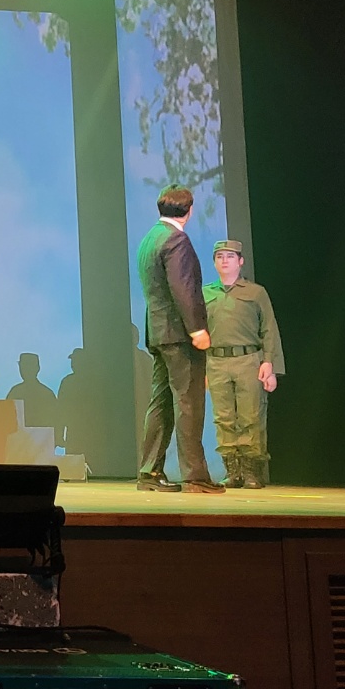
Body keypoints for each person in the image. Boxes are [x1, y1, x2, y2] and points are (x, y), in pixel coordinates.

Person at [135, 185, 223, 493]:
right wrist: (197, 329)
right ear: (189, 210)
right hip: (179, 335)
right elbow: (183, 288)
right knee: (189, 402)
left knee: (161, 402)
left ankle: (149, 471)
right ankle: (195, 476)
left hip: (159, 333)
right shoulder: (176, 240)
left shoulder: (150, 238)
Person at [203, 239, 284, 489]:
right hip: (216, 361)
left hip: (248, 359)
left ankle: (251, 472)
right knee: (223, 418)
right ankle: (232, 471)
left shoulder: (255, 292)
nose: (224, 261)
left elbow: (269, 329)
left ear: (240, 261)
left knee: (251, 416)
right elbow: (199, 333)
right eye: (219, 256)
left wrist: (269, 364)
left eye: (230, 256)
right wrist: (202, 369)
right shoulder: (205, 293)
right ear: (214, 263)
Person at [5, 353, 59, 438]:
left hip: (36, 442)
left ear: (37, 368)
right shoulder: (47, 393)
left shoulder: (16, 392)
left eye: (26, 366)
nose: (23, 370)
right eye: (22, 366)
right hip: (23, 441)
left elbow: (55, 421)